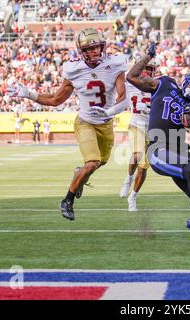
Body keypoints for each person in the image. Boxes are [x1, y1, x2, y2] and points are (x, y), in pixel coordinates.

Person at [8, 28, 128, 220]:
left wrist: (110, 111)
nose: (96, 51)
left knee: (100, 162)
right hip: (85, 122)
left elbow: (123, 98)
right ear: (82, 51)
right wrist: (29, 94)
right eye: (90, 48)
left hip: (106, 123)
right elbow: (56, 99)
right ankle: (67, 200)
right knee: (92, 162)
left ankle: (78, 175)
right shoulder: (74, 69)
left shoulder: (115, 64)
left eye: (98, 47)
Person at [126, 44, 190, 243]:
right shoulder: (166, 83)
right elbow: (132, 77)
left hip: (181, 152)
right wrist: (147, 56)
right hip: (158, 150)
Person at [120, 63, 156, 211]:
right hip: (136, 124)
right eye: (145, 69)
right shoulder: (130, 85)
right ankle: (128, 179)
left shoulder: (157, 88)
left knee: (143, 166)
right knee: (138, 156)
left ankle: (133, 196)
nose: (147, 72)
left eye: (150, 69)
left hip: (152, 129)